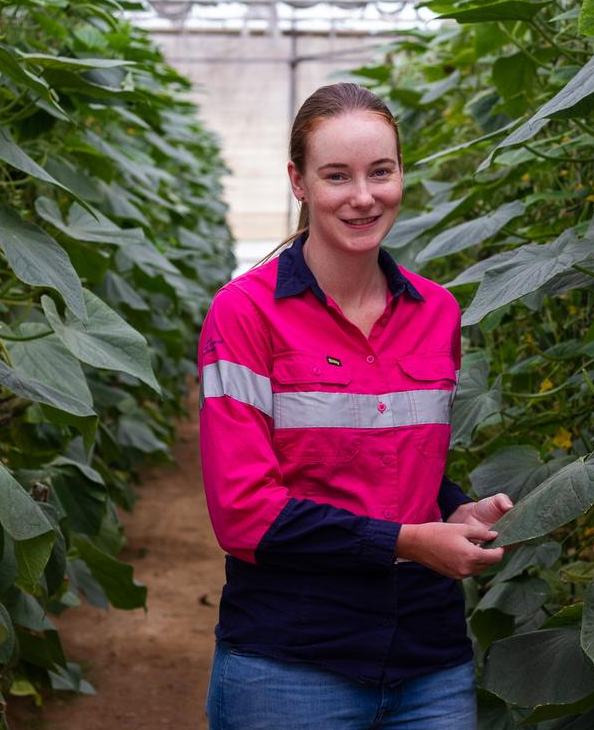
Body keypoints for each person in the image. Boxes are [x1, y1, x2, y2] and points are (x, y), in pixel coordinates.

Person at [197, 82, 513, 729]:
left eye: (381, 172)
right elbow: (244, 515)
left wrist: (452, 508)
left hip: (430, 663)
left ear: (402, 175)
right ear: (299, 182)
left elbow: (401, 460)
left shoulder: (437, 313)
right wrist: (411, 541)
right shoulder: (245, 314)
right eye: (337, 176)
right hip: (292, 663)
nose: (364, 197)